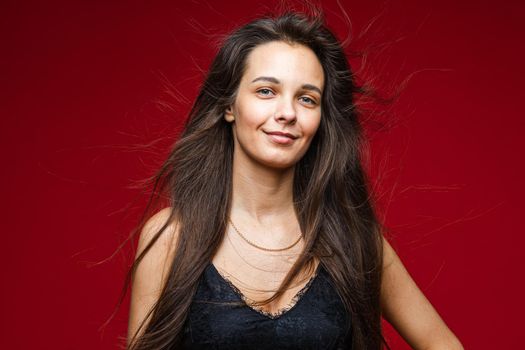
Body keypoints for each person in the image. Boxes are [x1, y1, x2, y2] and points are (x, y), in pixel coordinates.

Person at [124, 9, 463, 350]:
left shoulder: (353, 239)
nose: (287, 113)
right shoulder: (171, 237)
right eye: (266, 91)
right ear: (230, 106)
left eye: (306, 98)